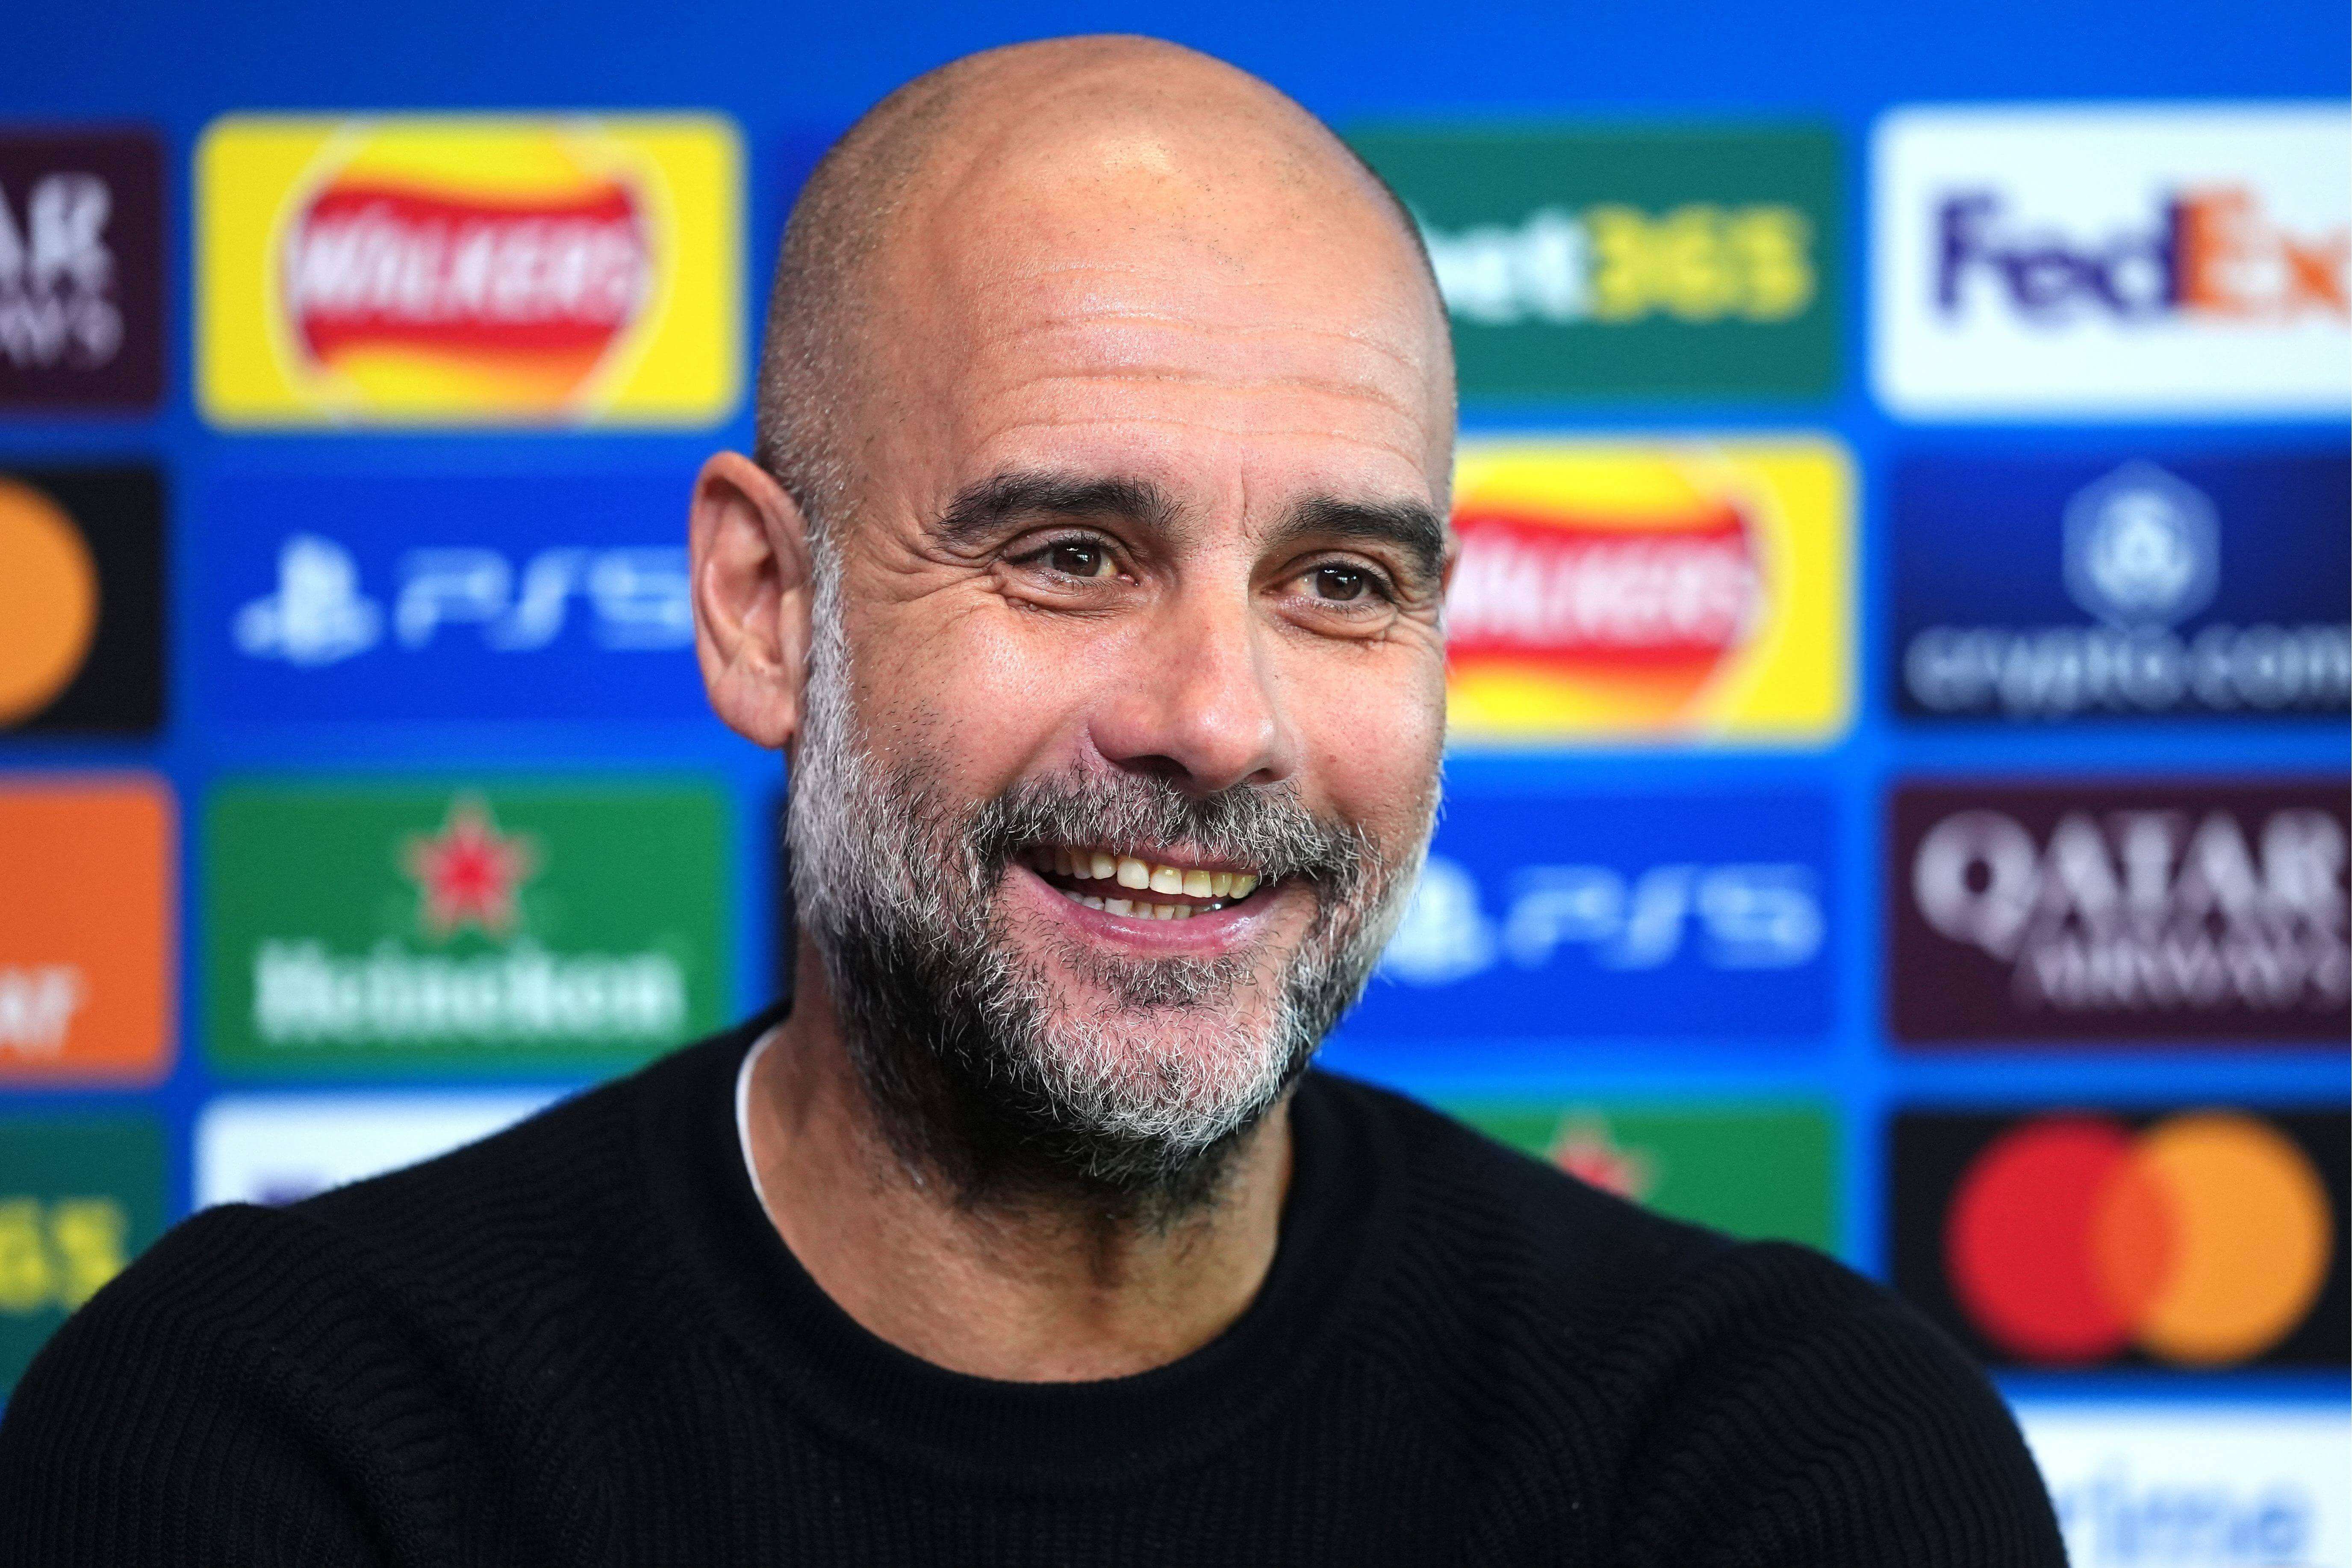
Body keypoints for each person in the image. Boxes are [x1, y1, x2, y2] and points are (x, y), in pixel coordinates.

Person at [0, 36, 2063, 1565]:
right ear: (760, 607)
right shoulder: (284, 1446)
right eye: (1069, 552)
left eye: (1340, 584)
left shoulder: (1773, 1463)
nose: (1214, 719)